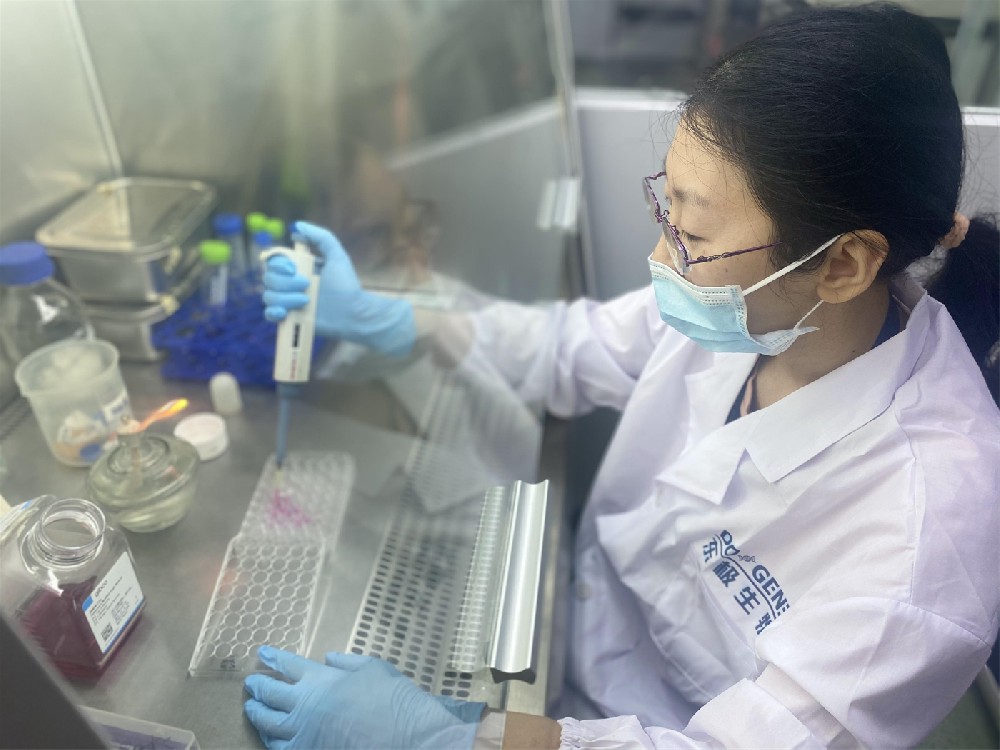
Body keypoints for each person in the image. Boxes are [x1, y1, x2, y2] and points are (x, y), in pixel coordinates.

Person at [242, 4, 1000, 748]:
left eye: (691, 230)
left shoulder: (923, 543)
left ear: (841, 264)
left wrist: (447, 739)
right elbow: (571, 349)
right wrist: (403, 318)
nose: (662, 258)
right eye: (667, 207)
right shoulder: (759, 309)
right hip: (578, 639)